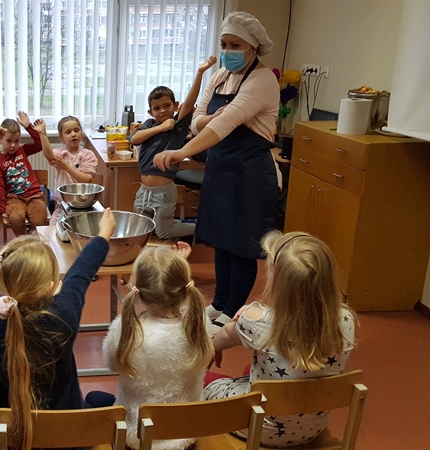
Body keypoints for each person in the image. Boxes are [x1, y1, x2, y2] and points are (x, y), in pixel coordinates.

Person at [155, 11, 280, 333]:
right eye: (224, 44)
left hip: (249, 175)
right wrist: (207, 121)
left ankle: (233, 309)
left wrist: (182, 152)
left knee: (241, 246)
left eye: (235, 45)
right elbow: (198, 119)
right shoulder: (220, 76)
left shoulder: (263, 80)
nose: (227, 51)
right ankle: (220, 302)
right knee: (221, 242)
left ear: (253, 47)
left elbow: (226, 122)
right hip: (220, 169)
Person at [0, 208, 115, 450]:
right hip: (64, 439)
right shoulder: (63, 315)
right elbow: (79, 276)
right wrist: (103, 235)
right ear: (50, 286)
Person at [204, 231, 356, 447]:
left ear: (278, 282)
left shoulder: (258, 320)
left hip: (257, 426)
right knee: (254, 369)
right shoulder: (346, 319)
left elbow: (223, 337)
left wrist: (220, 341)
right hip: (311, 427)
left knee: (205, 379)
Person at [84, 243, 212, 450]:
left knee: (92, 398)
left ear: (138, 292)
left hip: (136, 439)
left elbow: (112, 364)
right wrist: (174, 271)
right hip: (184, 438)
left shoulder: (126, 330)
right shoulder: (199, 323)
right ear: (183, 289)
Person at [130, 56, 217, 239]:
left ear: (176, 106)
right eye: (157, 108)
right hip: (144, 191)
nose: (162, 111)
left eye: (167, 106)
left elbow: (190, 101)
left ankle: (202, 228)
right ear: (150, 112)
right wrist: (161, 127)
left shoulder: (178, 126)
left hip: (163, 193)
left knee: (163, 232)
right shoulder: (149, 125)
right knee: (142, 231)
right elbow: (134, 139)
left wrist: (200, 72)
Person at [0, 112, 47, 238]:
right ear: (0, 139)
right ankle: (24, 241)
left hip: (35, 196)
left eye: (16, 141)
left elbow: (40, 144)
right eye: (8, 141)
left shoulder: (22, 150)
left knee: (39, 220)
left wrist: (28, 126)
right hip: (14, 198)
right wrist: (2, 209)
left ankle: (34, 241)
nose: (13, 145)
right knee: (15, 218)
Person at [36, 116, 98, 225]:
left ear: (81, 132)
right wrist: (43, 134)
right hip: (62, 205)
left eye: (76, 130)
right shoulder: (60, 153)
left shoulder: (88, 154)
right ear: (62, 138)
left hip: (83, 206)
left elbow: (86, 179)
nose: (73, 134)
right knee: (54, 228)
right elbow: (49, 156)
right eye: (68, 132)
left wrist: (66, 166)